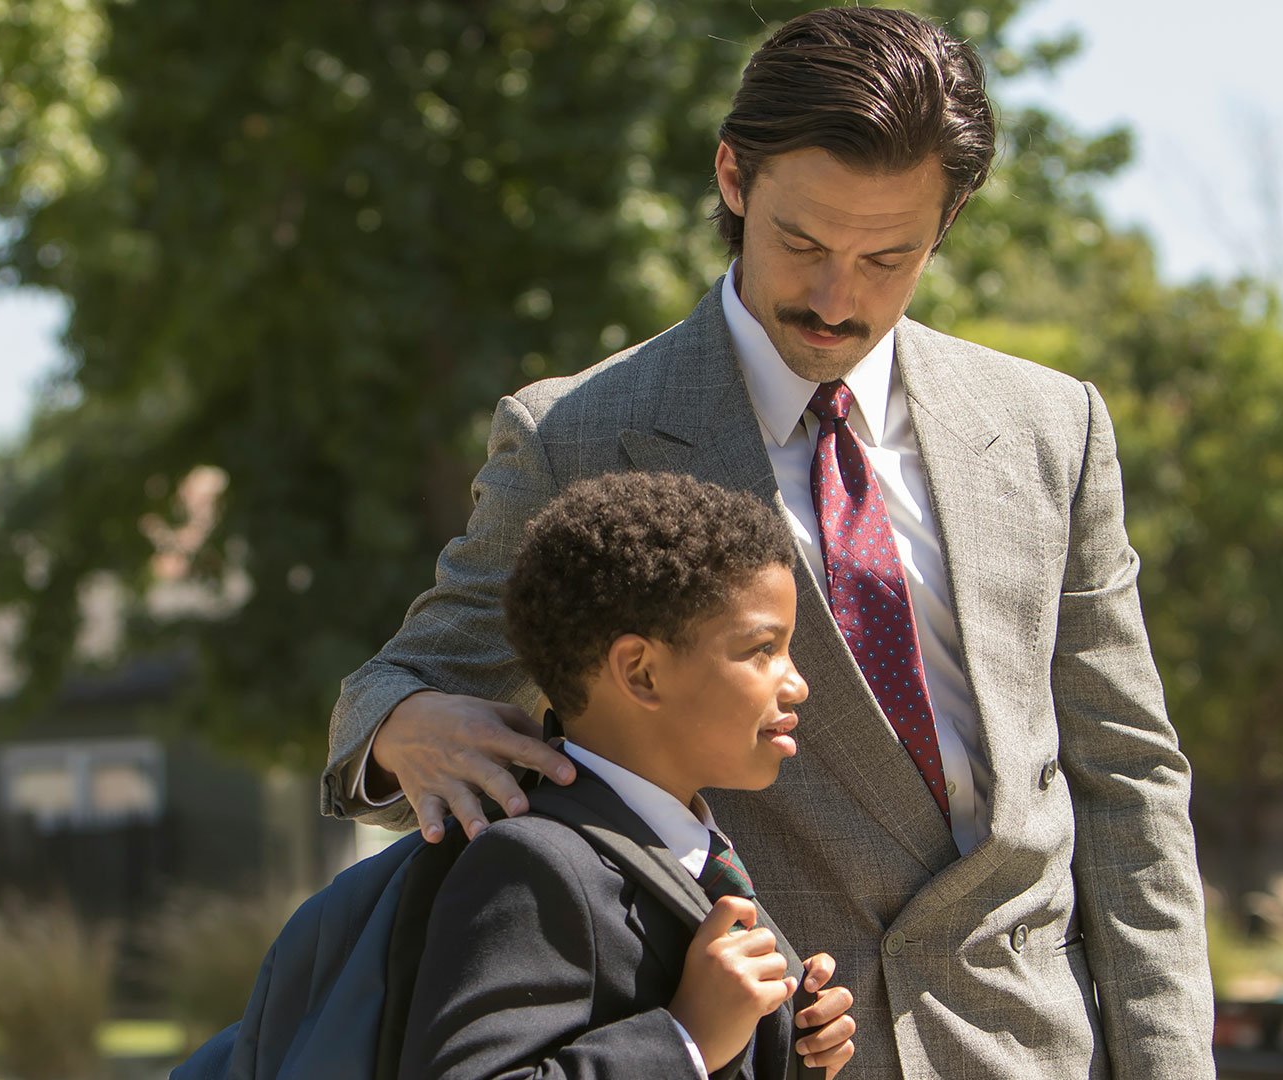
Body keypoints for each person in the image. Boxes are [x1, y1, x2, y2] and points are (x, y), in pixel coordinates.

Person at [325, 6, 1215, 1078]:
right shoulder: (577, 436)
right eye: (803, 243)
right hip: (770, 1050)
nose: (837, 298)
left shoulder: (1050, 426)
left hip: (1030, 1048)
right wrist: (401, 722)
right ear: (733, 179)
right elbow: (401, 683)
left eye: (888, 256)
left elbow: (1128, 778)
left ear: (952, 217)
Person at [405, 472, 856, 1079]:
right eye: (761, 650)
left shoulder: (690, 856)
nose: (796, 682)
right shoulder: (531, 865)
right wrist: (687, 1039)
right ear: (641, 673)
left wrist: (786, 1039)